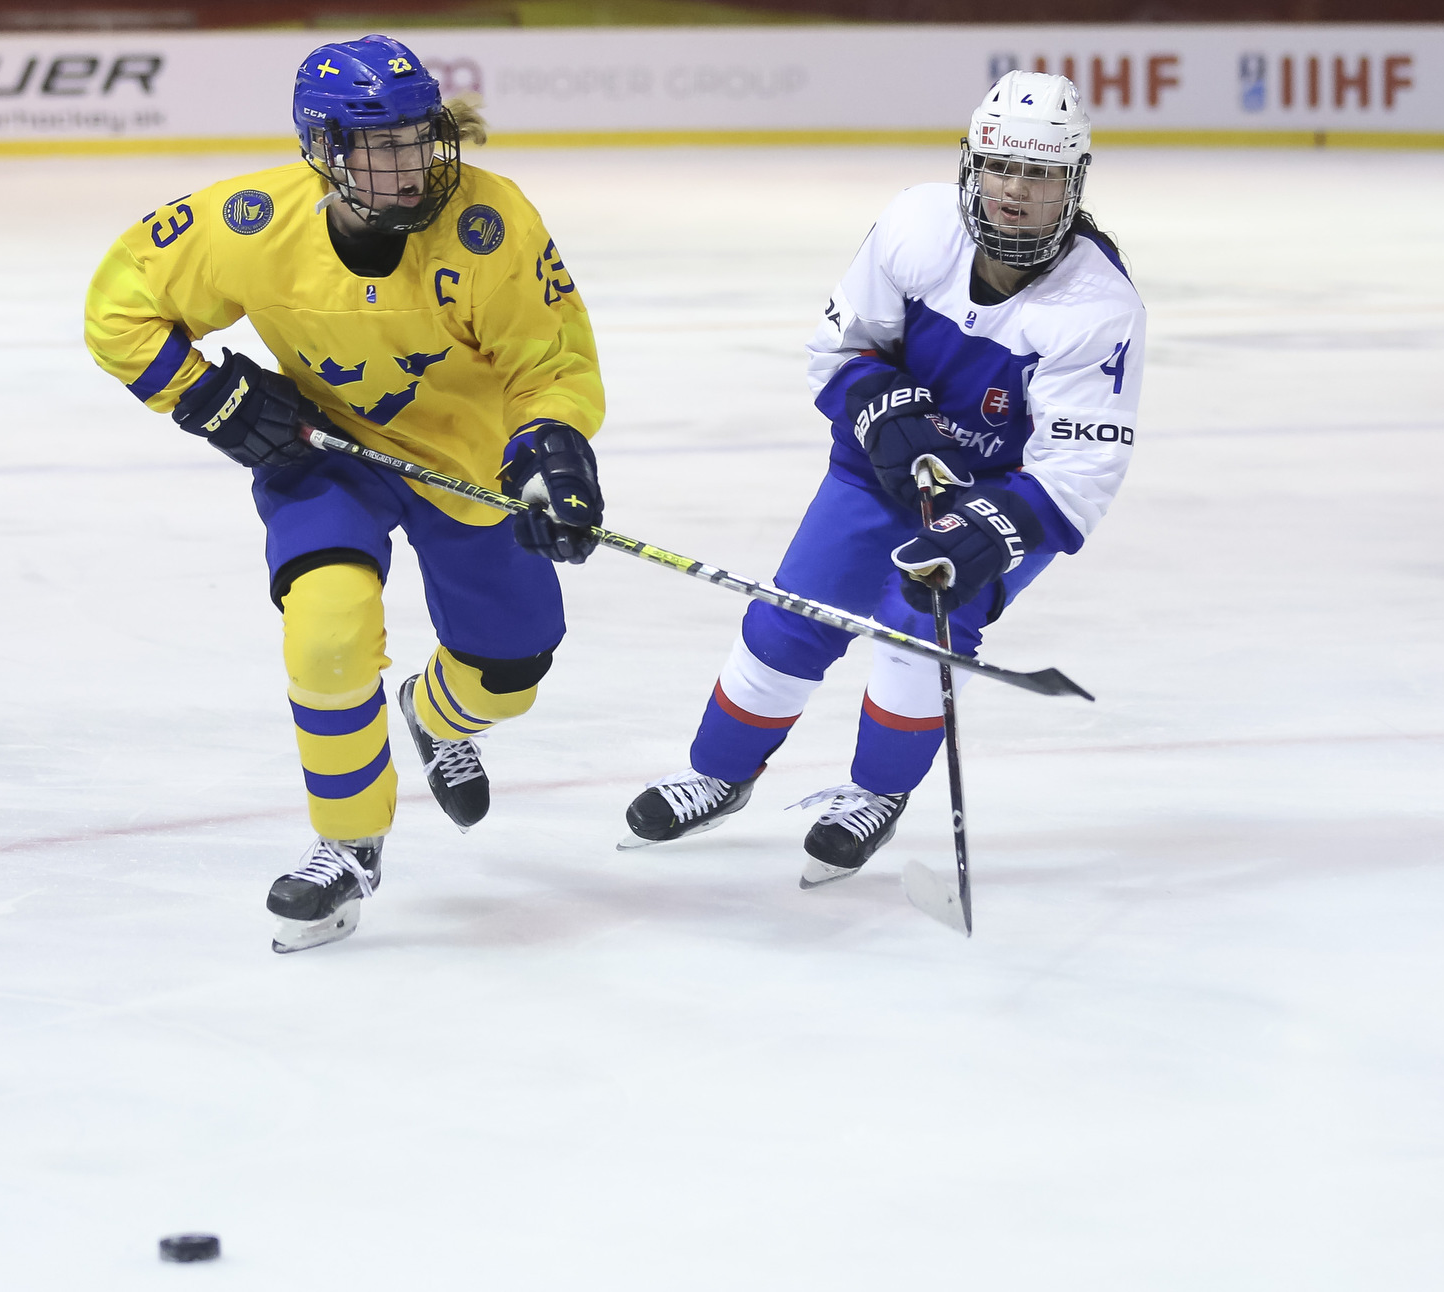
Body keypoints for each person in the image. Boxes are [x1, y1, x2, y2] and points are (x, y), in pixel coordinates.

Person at [84, 36, 604, 952]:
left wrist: (551, 448)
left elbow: (550, 362)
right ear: (324, 148)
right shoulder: (249, 222)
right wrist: (205, 397)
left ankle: (435, 716)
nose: (410, 166)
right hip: (325, 454)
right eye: (381, 145)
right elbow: (119, 307)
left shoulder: (491, 223)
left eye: (419, 138)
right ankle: (346, 847)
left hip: (466, 463)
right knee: (325, 641)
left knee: (512, 672)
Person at [620, 71, 1144, 886]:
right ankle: (721, 774)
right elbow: (841, 349)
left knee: (917, 627)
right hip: (877, 469)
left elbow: (1080, 466)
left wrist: (985, 535)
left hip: (997, 494)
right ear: (971, 164)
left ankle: (876, 794)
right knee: (791, 618)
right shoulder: (917, 225)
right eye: (1002, 167)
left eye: (1039, 175)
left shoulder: (1097, 306)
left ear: (1072, 185)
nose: (1014, 192)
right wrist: (880, 410)